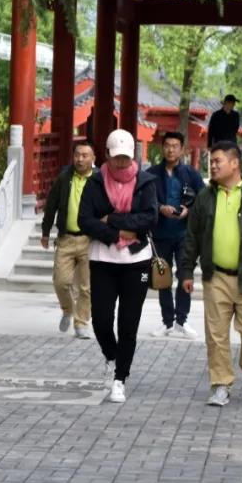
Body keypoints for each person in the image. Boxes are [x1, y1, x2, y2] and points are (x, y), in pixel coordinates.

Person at [180, 141, 242, 407]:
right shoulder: (204, 197)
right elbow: (192, 236)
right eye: (210, 162)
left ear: (235, 163)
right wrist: (187, 271)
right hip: (216, 276)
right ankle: (221, 384)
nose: (212, 166)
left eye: (217, 161)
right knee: (216, 334)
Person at [77, 129, 158, 404]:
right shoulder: (95, 182)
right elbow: (85, 220)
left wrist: (112, 219)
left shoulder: (146, 182)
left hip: (137, 261)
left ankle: (120, 377)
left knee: (128, 324)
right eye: (116, 158)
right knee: (100, 320)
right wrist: (116, 232)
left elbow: (149, 218)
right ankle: (112, 356)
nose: (121, 164)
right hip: (103, 258)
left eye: (125, 158)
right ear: (107, 156)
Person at [146, 131, 204, 339]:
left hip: (184, 234)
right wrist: (160, 207)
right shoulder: (152, 173)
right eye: (167, 145)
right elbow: (145, 200)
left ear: (182, 149)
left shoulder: (191, 174)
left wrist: (189, 210)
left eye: (175, 146)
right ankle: (167, 321)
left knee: (184, 276)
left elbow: (203, 199)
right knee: (163, 278)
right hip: (160, 233)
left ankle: (182, 320)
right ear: (163, 148)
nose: (171, 149)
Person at [40, 141, 97, 340]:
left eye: (85, 155)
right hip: (65, 238)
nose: (80, 159)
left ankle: (81, 323)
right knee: (61, 282)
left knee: (85, 286)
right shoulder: (64, 178)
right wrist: (45, 231)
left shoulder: (99, 180)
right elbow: (51, 205)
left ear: (93, 159)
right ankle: (67, 309)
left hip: (89, 240)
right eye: (77, 155)